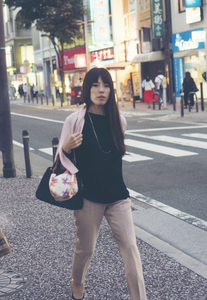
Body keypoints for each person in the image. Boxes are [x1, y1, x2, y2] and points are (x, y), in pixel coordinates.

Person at [56, 67, 146, 300]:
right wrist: (66, 147)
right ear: (87, 90)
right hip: (88, 196)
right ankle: (77, 280)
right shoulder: (75, 121)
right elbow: (59, 160)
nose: (101, 90)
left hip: (118, 196)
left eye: (105, 85)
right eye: (95, 85)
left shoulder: (120, 121)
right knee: (86, 248)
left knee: (130, 248)